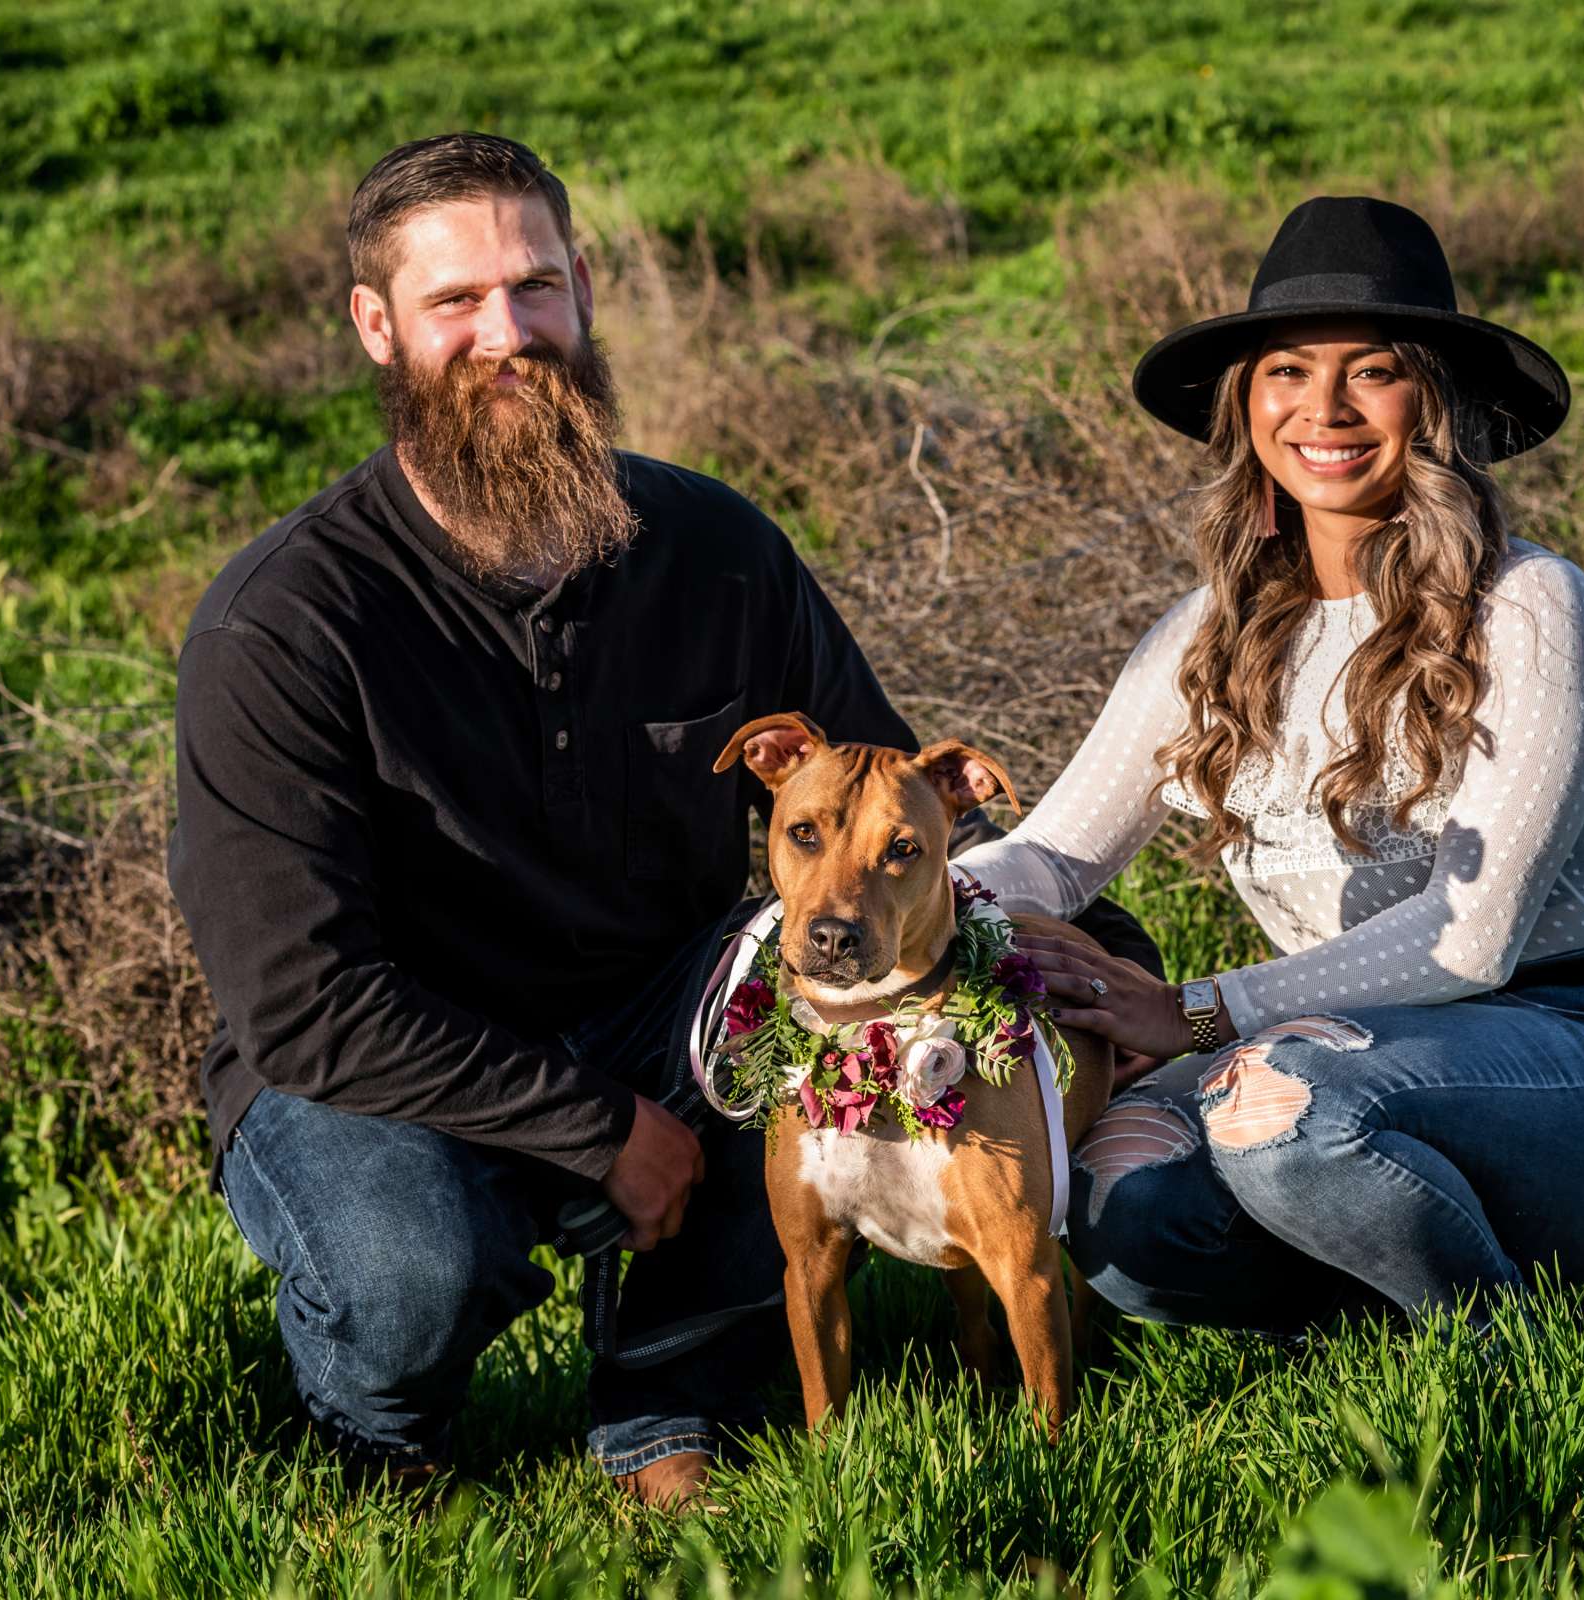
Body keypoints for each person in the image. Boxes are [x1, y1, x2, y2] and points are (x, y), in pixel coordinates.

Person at [166, 132, 1153, 1508]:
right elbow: (299, 1002)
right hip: (377, 1059)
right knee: (408, 1267)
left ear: (584, 289)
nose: (507, 336)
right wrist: (597, 1130)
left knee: (812, 1008)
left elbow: (892, 814)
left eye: (537, 288)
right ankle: (379, 1427)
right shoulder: (282, 623)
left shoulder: (715, 547)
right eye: (455, 303)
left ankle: (668, 1393)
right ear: (377, 328)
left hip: (665, 1009)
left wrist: (1094, 961)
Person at [957, 197, 1584, 1336]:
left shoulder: (1530, 604)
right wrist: (872, 896)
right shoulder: (1204, 633)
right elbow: (1055, 856)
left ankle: (1506, 1359)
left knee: (1282, 1116)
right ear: (1247, 405)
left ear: (1433, 401)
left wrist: (1195, 1015)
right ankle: (1369, 1326)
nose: (1325, 410)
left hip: (1572, 1056)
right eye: (1287, 371)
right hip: (1328, 1051)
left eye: (1374, 372)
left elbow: (1473, 935)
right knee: (1112, 1198)